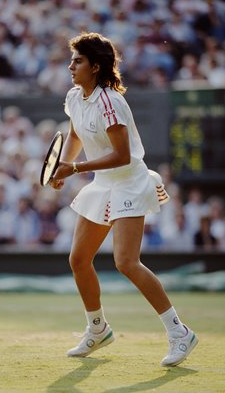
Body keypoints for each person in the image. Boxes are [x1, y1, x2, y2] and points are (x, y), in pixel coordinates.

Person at [50, 32, 198, 366]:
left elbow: (121, 156)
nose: (70, 66)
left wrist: (74, 167)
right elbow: (75, 134)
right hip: (103, 183)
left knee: (126, 263)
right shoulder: (75, 96)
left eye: (78, 61)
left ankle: (180, 333)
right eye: (72, 59)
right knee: (78, 259)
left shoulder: (111, 102)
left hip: (129, 182)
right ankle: (98, 329)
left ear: (96, 66)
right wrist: (63, 167)